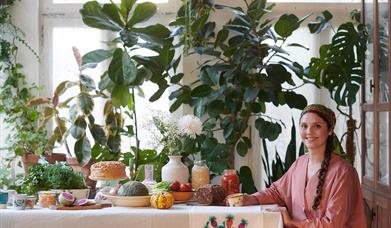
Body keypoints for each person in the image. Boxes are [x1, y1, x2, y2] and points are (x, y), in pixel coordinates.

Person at [238, 104, 366, 228]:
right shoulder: (299, 163)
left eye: (317, 126)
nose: (309, 132)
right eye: (304, 126)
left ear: (330, 130)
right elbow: (277, 192)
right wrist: (251, 199)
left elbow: (332, 224)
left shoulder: (344, 172)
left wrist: (292, 223)